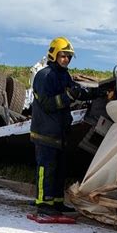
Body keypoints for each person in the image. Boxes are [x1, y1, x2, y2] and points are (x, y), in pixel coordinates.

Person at [30, 37, 93, 216]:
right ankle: (42, 202)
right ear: (54, 54)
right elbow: (48, 104)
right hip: (45, 132)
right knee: (46, 168)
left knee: (59, 169)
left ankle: (57, 202)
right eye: (63, 56)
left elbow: (75, 91)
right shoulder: (44, 76)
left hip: (59, 132)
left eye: (69, 57)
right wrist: (69, 97)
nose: (66, 59)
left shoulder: (63, 75)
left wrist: (97, 93)